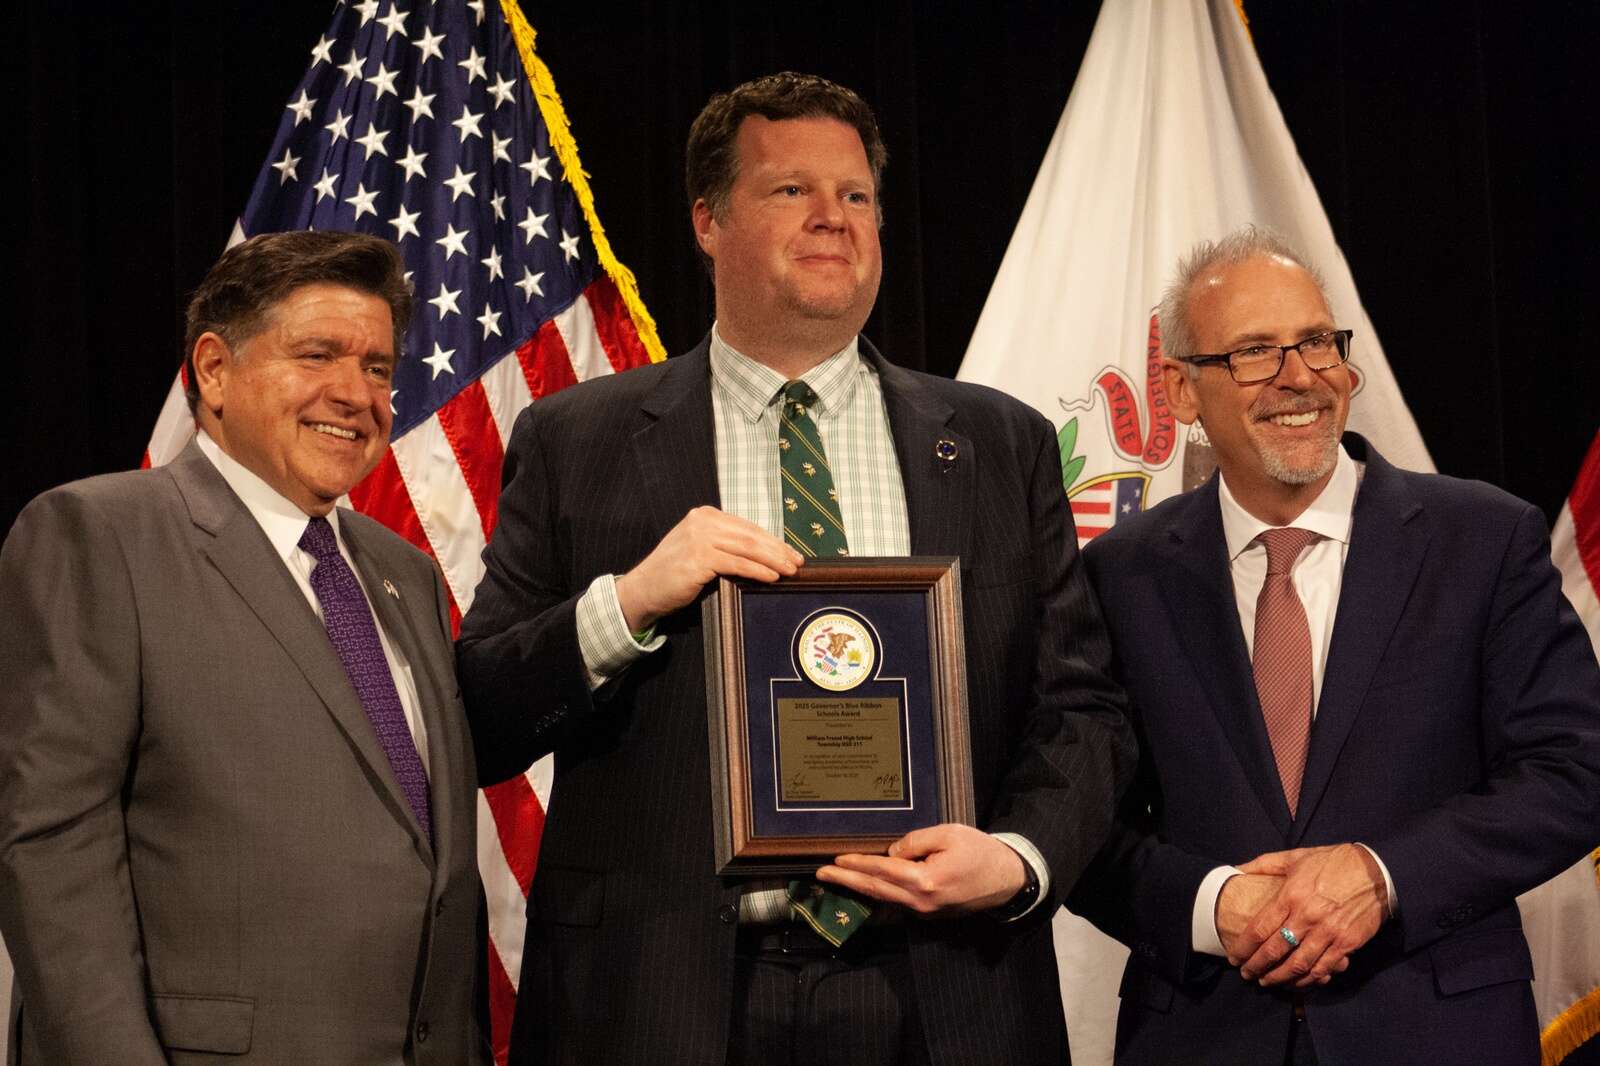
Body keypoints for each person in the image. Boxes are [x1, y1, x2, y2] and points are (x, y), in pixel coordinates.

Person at [457, 72, 1135, 1065]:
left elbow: (1081, 710)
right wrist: (628, 603)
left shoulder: (1001, 443)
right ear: (707, 220)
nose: (833, 217)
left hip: (946, 992)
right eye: (791, 190)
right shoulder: (577, 440)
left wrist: (1017, 857)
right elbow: (480, 717)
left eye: (856, 194)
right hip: (661, 999)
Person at [1068, 226, 1600, 1065]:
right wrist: (1211, 905)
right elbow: (1078, 821)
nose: (1300, 376)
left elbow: (1575, 770)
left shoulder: (1483, 539)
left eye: (1317, 341)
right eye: (1255, 352)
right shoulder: (1118, 575)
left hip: (1439, 1034)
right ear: (1181, 391)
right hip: (1204, 1036)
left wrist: (1382, 875)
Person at [0, 231, 491, 1065]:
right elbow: (52, 851)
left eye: (377, 368)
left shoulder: (402, 572)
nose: (356, 394)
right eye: (317, 355)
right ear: (215, 370)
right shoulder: (102, 536)